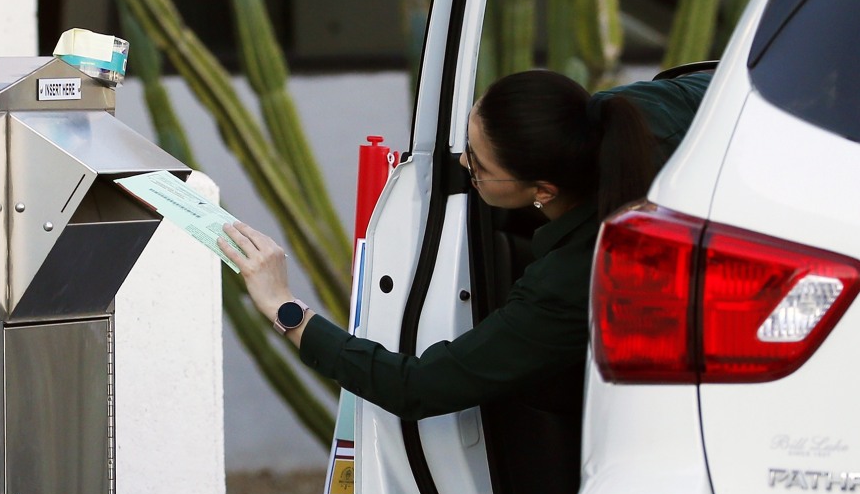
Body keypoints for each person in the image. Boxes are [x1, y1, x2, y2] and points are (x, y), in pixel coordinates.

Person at [218, 69, 713, 421]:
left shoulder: (574, 278)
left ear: (543, 191)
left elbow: (416, 387)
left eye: (478, 165)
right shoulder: (636, 112)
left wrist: (285, 307)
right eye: (467, 144)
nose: (462, 166)